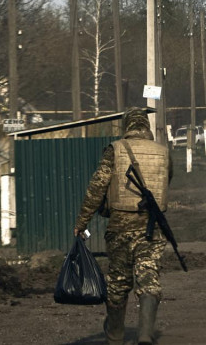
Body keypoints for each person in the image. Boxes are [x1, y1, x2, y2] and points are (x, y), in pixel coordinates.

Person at [74, 107, 172, 345]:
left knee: (118, 282)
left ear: (127, 126)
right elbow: (166, 181)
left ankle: (115, 335)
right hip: (152, 227)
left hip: (119, 227)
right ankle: (145, 333)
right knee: (149, 278)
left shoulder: (115, 150)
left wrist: (82, 222)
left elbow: (97, 187)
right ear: (146, 126)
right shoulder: (163, 152)